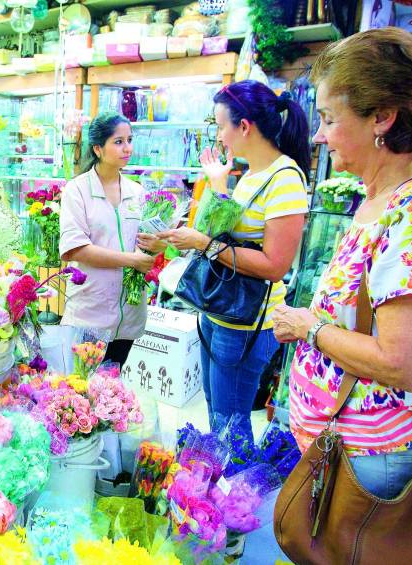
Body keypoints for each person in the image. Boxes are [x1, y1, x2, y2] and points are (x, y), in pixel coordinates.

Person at [272, 28, 412, 500]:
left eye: (328, 118)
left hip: (372, 459)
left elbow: (402, 363)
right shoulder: (380, 200)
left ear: (382, 117)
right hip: (344, 449)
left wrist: (309, 327)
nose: (318, 135)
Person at [138, 80, 311, 438]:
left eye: (220, 126)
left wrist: (204, 244)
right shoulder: (251, 175)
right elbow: (228, 234)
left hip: (247, 322)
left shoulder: (285, 181)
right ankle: (219, 473)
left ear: (244, 126)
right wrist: (217, 188)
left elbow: (275, 266)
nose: (219, 136)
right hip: (221, 309)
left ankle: (237, 475)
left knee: (230, 423)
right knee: (216, 410)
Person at [59, 112, 155, 366]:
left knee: (113, 383)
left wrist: (157, 246)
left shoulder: (137, 192)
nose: (127, 148)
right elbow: (75, 249)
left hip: (129, 314)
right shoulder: (77, 191)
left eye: (130, 140)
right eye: (118, 142)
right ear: (98, 148)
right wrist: (132, 260)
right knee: (83, 384)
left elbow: (146, 242)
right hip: (91, 312)